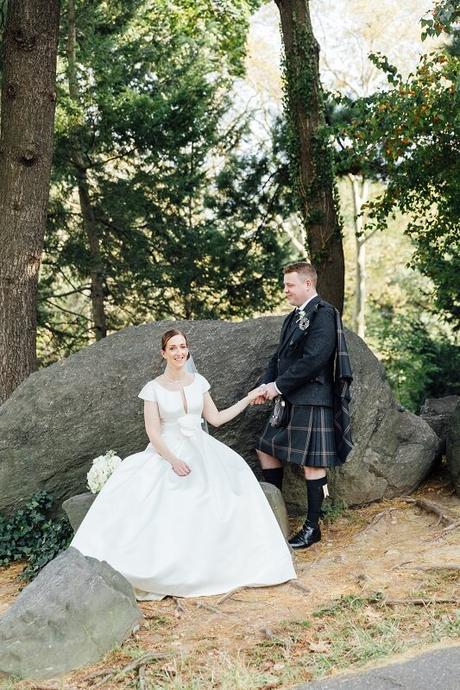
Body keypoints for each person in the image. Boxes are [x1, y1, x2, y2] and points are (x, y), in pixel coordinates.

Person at [71, 329, 296, 600]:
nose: (180, 352)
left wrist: (247, 399)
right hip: (166, 451)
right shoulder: (152, 389)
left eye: (183, 347)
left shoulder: (198, 381)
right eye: (173, 348)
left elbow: (216, 419)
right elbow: (153, 432)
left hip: (200, 448)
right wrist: (173, 460)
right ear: (163, 353)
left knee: (227, 489)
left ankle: (220, 565)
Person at [255, 261, 352, 550]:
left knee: (312, 464)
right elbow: (278, 358)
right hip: (289, 399)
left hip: (312, 400)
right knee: (265, 448)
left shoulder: (324, 314)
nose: (285, 290)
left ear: (307, 284)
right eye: (285, 285)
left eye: (289, 285)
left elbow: (315, 360)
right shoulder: (292, 317)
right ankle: (277, 516)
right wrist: (265, 385)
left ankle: (313, 527)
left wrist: (278, 387)